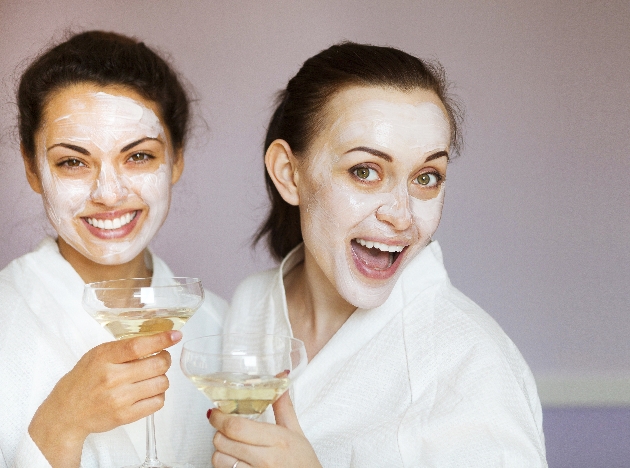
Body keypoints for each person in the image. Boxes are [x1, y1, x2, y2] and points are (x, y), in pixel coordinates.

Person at [213, 42, 547, 467]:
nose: (402, 215)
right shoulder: (252, 304)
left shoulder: (473, 365)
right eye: (365, 172)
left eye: (427, 177)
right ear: (288, 173)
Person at [0, 31, 226, 468]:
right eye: (73, 161)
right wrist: (61, 424)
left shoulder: (224, 327)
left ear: (176, 159)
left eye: (138, 156)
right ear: (32, 168)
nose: (109, 193)